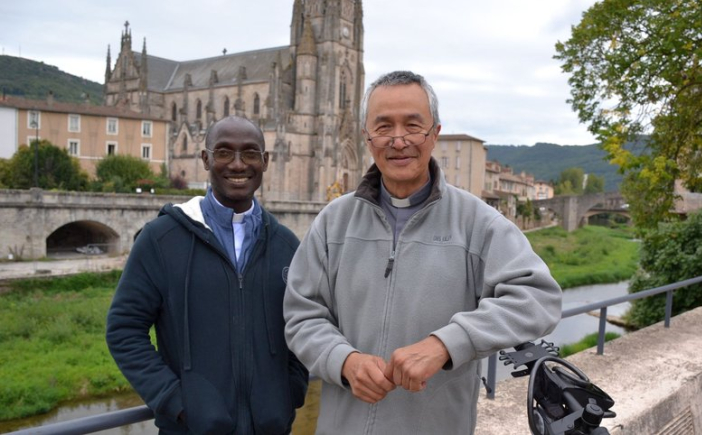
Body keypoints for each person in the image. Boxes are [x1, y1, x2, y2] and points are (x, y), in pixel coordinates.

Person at [283, 71, 562, 434]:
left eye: (413, 126)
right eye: (383, 127)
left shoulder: (478, 222)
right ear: (367, 138)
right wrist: (342, 360)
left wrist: (447, 343)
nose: (398, 140)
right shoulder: (333, 222)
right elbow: (302, 316)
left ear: (435, 134)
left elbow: (538, 298)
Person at [107, 116, 308, 435]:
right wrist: (176, 402)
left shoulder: (286, 245)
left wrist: (289, 392)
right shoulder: (161, 239)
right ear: (205, 159)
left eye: (251, 153)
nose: (238, 165)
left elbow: (304, 326)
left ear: (266, 161)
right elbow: (123, 330)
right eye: (225, 152)